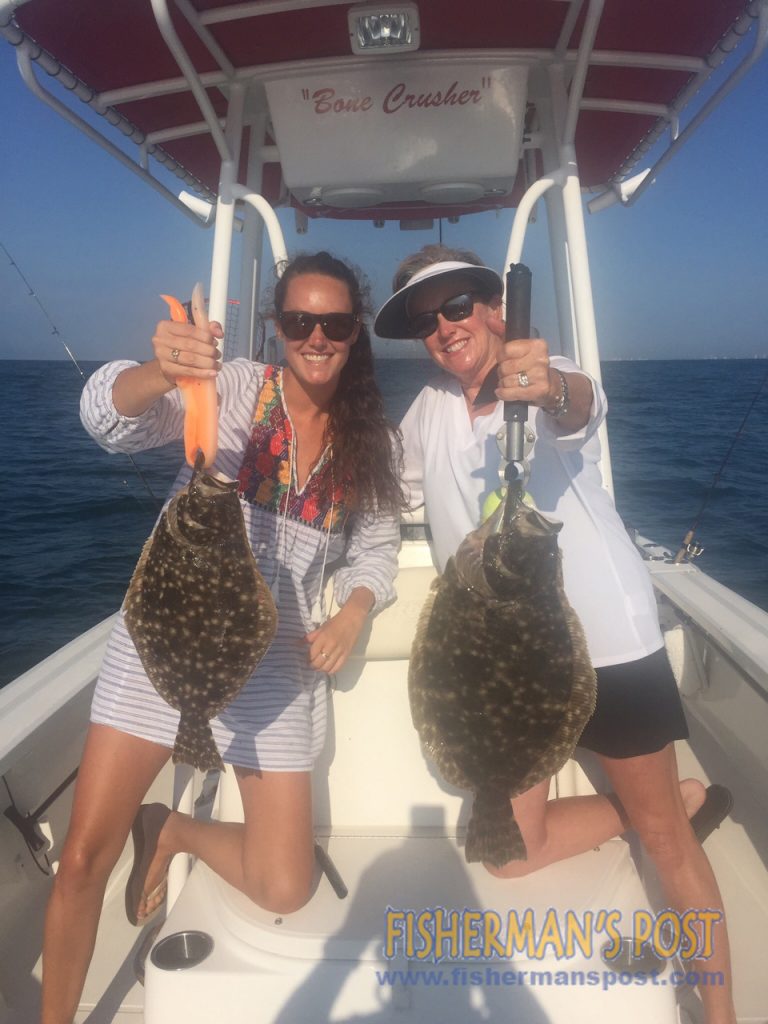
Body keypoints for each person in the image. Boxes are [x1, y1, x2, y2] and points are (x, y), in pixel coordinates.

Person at [374, 244, 735, 1024]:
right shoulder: (429, 409)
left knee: (668, 844)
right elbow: (379, 487)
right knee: (504, 851)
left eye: (458, 305)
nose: (443, 327)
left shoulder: (541, 369)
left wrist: (551, 387)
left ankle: (720, 1011)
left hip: (604, 644)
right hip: (502, 665)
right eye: (423, 320)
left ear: (496, 308)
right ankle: (661, 804)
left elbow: (579, 406)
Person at [41, 251, 404, 1024]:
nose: (316, 337)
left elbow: (376, 547)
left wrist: (354, 608)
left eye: (334, 324)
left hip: (274, 666)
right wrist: (158, 372)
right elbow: (108, 419)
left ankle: (171, 826)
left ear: (354, 334)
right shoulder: (231, 388)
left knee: (285, 885)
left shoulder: (375, 444)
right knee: (78, 861)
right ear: (277, 328)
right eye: (299, 321)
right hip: (163, 647)